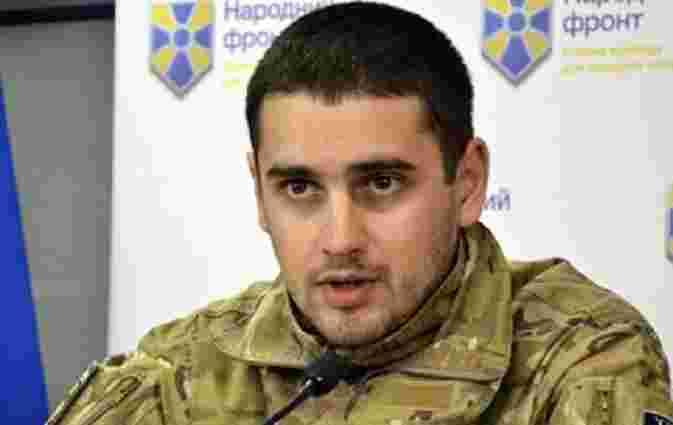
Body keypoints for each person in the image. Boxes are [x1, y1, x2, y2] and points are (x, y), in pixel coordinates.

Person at [48, 2, 673, 425]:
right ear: (260, 195)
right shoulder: (180, 371)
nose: (340, 239)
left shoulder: (579, 357)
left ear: (467, 183)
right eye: (299, 188)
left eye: (380, 183)